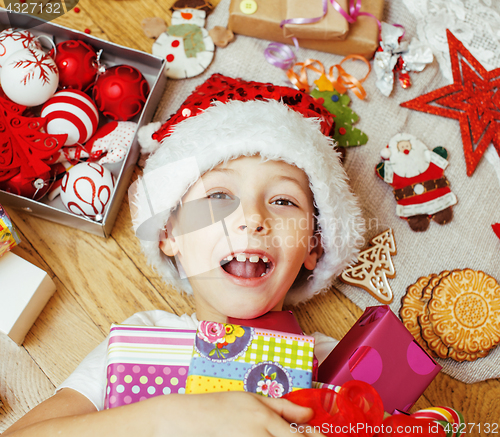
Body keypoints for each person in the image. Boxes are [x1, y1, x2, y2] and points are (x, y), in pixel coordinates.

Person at [3, 75, 363, 437]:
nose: (253, 218)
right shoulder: (143, 339)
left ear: (313, 246)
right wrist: (169, 418)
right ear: (170, 233)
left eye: (283, 201)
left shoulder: (339, 366)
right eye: (219, 196)